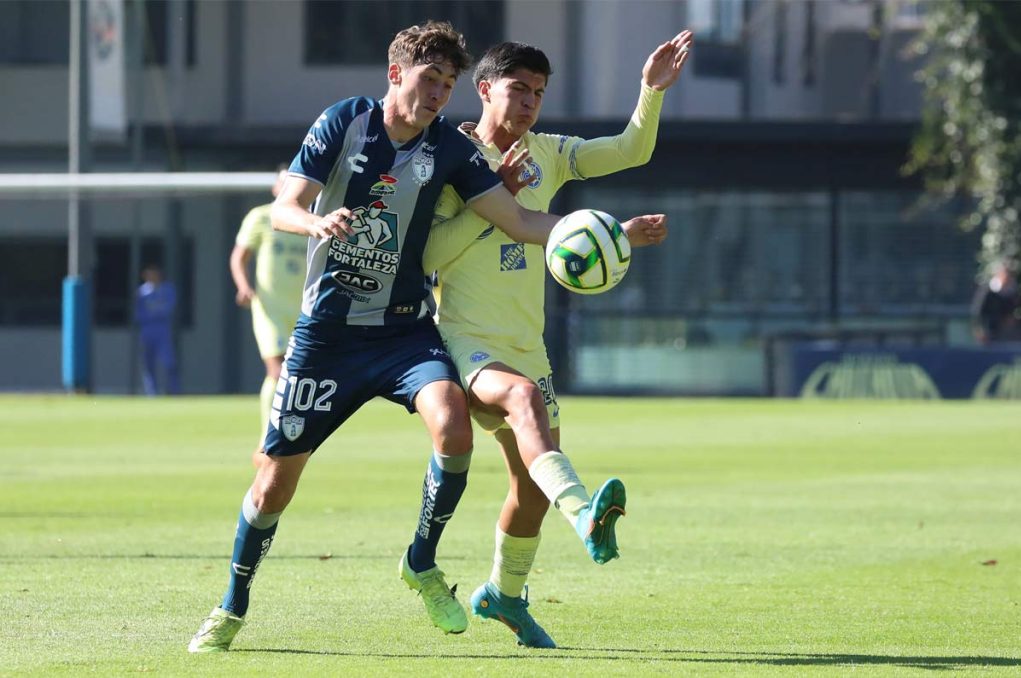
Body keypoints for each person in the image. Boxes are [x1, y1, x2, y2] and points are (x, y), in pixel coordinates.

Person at [187, 20, 666, 653]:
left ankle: (423, 561)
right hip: (328, 334)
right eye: (429, 79)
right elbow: (284, 206)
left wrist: (604, 237)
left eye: (447, 83)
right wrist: (313, 220)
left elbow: (519, 219)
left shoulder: (454, 151)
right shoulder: (344, 122)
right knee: (275, 482)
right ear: (396, 75)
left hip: (404, 334)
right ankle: (231, 606)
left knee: (453, 425)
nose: (439, 93)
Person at [421, 32, 690, 647]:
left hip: (526, 343)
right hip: (463, 339)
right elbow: (432, 254)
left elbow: (629, 151)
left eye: (539, 93)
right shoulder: (445, 157)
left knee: (528, 492)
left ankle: (503, 597)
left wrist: (649, 92)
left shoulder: (549, 151)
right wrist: (499, 200)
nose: (529, 104)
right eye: (518, 90)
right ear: (485, 89)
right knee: (523, 402)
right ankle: (587, 515)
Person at [229, 167, 308, 465]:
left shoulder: (307, 219)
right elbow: (239, 256)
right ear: (276, 187)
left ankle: (288, 438)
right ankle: (266, 441)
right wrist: (244, 286)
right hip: (270, 308)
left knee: (296, 376)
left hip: (303, 308)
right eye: (283, 180)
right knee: (277, 371)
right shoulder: (261, 217)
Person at [134, 264, 180, 395]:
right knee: (148, 364)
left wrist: (155, 311)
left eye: (153, 273)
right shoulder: (141, 292)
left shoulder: (168, 289)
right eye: (148, 273)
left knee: (169, 362)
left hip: (163, 329)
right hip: (147, 330)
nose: (151, 276)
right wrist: (154, 312)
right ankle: (151, 394)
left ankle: (174, 391)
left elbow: (169, 309)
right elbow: (138, 314)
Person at [971, 260, 1021, 344]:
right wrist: (980, 331)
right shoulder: (987, 291)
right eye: (1005, 274)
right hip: (989, 333)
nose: (1007, 277)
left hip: (1006, 334)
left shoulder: (1014, 293)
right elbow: (978, 312)